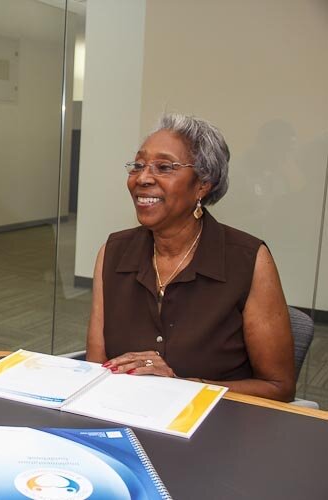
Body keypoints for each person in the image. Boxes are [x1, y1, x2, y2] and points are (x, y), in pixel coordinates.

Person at [86, 113, 295, 402]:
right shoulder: (112, 252)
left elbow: (278, 387)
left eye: (164, 167)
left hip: (215, 429)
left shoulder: (248, 260)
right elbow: (94, 370)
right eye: (138, 165)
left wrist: (182, 386)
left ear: (202, 185)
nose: (143, 178)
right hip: (122, 417)